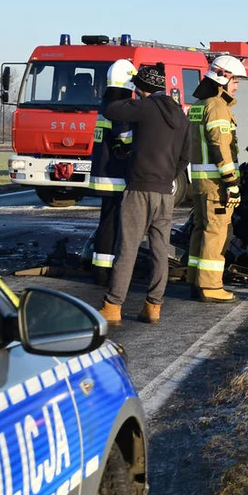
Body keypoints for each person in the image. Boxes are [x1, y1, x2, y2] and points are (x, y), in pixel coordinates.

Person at [97, 63, 191, 326]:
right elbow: (185, 156)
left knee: (127, 248)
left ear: (142, 88)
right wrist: (169, 176)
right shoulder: (181, 115)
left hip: (139, 189)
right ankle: (153, 307)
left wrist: (116, 86)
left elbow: (111, 110)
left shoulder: (145, 107)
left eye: (137, 86)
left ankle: (113, 307)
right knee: (160, 250)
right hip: (165, 192)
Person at [185, 55, 247, 303]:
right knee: (216, 232)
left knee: (200, 230)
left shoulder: (199, 105)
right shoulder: (217, 107)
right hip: (216, 184)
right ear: (223, 78)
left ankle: (195, 279)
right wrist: (231, 182)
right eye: (235, 80)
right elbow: (220, 147)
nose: (237, 86)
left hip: (200, 182)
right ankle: (210, 286)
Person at [86, 59, 135, 285]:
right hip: (115, 175)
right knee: (114, 224)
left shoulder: (105, 102)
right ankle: (107, 272)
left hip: (102, 172)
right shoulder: (121, 106)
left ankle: (100, 268)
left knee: (106, 221)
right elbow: (126, 138)